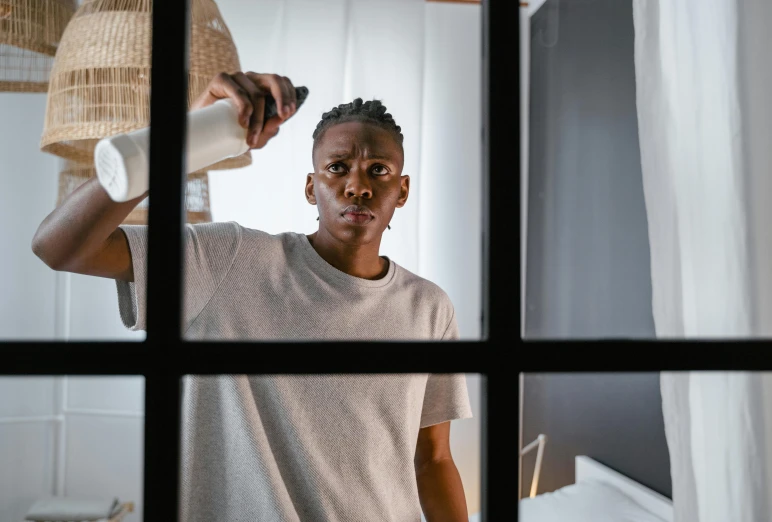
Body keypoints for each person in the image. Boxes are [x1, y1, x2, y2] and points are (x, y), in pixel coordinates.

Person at [32, 71, 472, 522]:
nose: (357, 186)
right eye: (337, 167)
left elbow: (433, 460)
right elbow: (58, 246)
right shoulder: (228, 260)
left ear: (402, 191)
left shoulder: (429, 308)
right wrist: (176, 141)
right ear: (310, 187)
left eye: (378, 171)